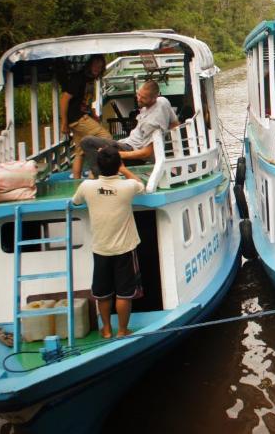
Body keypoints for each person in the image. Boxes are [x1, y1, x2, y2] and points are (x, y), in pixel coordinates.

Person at [71, 146, 145, 338]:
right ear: (118, 165)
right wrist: (125, 169)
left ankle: (106, 330)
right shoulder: (127, 187)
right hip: (124, 249)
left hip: (101, 248)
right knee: (124, 293)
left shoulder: (87, 186)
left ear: (97, 166)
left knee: (103, 293)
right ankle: (122, 330)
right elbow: (141, 185)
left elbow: (76, 201)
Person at [79, 79, 179, 176]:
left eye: (143, 98)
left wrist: (118, 154)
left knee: (87, 142)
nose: (138, 98)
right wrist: (178, 149)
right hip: (126, 143)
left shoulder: (152, 123)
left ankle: (101, 179)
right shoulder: (163, 101)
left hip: (131, 151)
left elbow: (147, 153)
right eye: (139, 94)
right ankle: (98, 174)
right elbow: (175, 124)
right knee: (93, 149)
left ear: (154, 98)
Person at [61, 55, 112, 179]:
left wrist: (93, 113)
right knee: (106, 138)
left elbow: (86, 101)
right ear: (89, 65)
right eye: (95, 65)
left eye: (100, 67)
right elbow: (64, 99)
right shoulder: (78, 78)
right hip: (78, 118)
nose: (97, 69)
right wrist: (64, 122)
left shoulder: (90, 79)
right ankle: (94, 175)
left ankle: (76, 182)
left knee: (80, 152)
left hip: (81, 117)